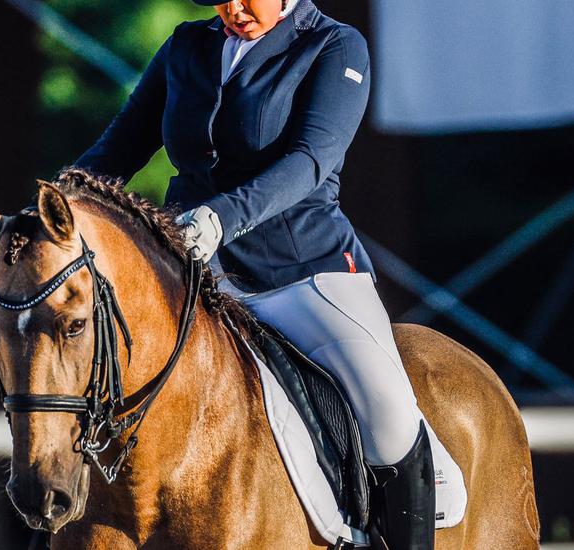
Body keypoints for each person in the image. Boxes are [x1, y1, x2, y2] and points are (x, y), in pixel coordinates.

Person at [74, 1, 435, 547]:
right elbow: (120, 146)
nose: (234, 8)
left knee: (388, 415)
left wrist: (223, 217)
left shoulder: (334, 47)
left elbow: (311, 160)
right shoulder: (186, 47)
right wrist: (55, 205)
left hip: (302, 271)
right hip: (192, 268)